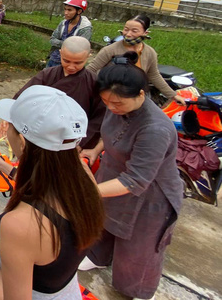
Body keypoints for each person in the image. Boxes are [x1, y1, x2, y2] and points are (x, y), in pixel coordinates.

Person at [0, 85, 105, 300]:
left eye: (10, 126)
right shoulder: (84, 180)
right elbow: (46, 185)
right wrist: (6, 168)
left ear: (22, 141)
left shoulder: (19, 225)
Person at [78, 52, 183, 300]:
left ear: (141, 95)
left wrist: (88, 191)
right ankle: (98, 257)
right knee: (102, 221)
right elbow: (113, 133)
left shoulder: (155, 128)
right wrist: (95, 150)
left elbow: (135, 180)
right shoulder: (116, 105)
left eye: (117, 104)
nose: (111, 108)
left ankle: (138, 289)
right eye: (106, 102)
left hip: (150, 193)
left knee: (139, 248)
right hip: (112, 174)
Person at [0, 36, 105, 150]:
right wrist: (9, 116)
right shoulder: (48, 74)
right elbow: (24, 96)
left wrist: (80, 143)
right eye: (66, 61)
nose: (71, 67)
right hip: (40, 133)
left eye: (78, 63)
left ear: (88, 57)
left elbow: (99, 117)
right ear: (60, 53)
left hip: (70, 139)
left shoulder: (93, 83)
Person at [86, 14, 186, 106]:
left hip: (135, 97)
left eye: (134, 31)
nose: (128, 34)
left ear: (145, 33)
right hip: (111, 98)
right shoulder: (110, 50)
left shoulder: (150, 53)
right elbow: (91, 70)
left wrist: (173, 95)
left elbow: (154, 75)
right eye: (126, 29)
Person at [47, 0, 92, 67]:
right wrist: (69, 45)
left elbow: (80, 48)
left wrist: (60, 44)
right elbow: (52, 39)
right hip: (54, 58)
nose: (65, 13)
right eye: (65, 9)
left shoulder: (85, 28)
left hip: (70, 64)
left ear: (79, 11)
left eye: (69, 10)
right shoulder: (63, 23)